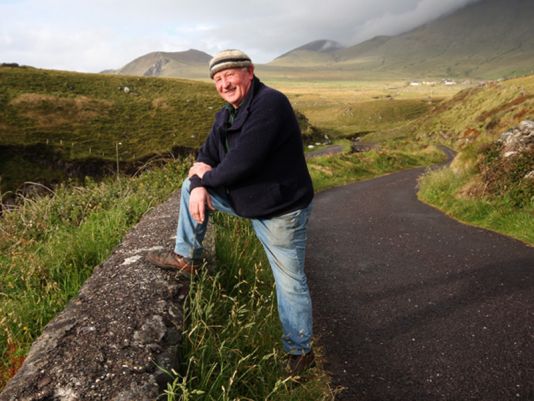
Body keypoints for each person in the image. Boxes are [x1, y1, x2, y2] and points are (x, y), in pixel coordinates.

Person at [145, 49, 315, 375]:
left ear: (249, 72)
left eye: (230, 75)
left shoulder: (270, 104)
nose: (224, 84)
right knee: (188, 188)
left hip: (281, 210)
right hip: (247, 199)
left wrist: (202, 179)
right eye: (218, 79)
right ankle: (187, 257)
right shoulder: (227, 114)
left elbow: (243, 162)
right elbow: (207, 152)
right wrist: (197, 181)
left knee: (289, 281)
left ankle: (300, 352)